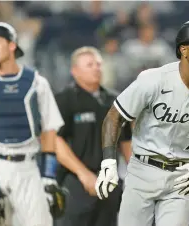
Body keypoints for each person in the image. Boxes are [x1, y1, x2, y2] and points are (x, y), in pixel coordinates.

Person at [95, 18, 189, 226]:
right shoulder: (153, 80)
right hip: (143, 170)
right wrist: (108, 161)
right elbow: (115, 116)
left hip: (184, 177)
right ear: (183, 50)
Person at [0, 22, 64, 226]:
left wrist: (49, 175)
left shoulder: (37, 83)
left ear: (12, 45)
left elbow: (49, 132)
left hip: (28, 165)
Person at [54, 46, 132, 226]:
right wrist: (84, 174)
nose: (97, 68)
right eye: (90, 65)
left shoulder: (115, 100)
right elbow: (56, 141)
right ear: (75, 71)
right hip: (75, 182)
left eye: (98, 64)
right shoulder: (65, 99)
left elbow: (126, 141)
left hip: (109, 181)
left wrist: (137, 174)